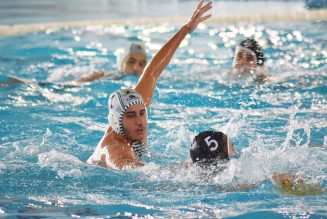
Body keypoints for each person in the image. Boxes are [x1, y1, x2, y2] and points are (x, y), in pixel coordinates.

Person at [86, 0, 213, 170]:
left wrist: (186, 29)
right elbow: (146, 175)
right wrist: (193, 166)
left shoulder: (134, 105)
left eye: (142, 113)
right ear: (117, 121)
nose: (140, 122)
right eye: (131, 116)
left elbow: (153, 70)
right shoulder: (114, 152)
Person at [75, 43, 147, 83]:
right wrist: (87, 80)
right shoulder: (106, 77)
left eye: (141, 64)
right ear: (121, 64)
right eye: (131, 62)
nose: (136, 68)